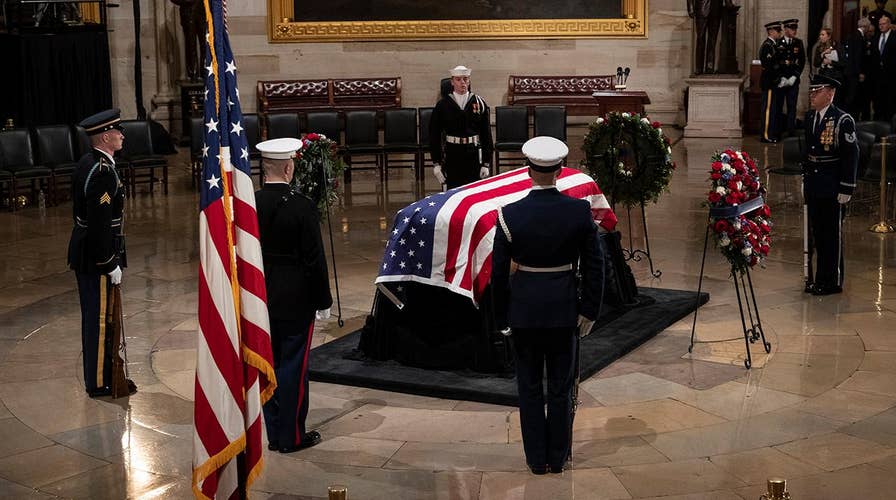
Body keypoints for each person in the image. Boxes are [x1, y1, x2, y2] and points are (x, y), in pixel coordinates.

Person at [491, 136, 605, 475]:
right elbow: (596, 264)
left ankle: (535, 460)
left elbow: (498, 274)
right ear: (560, 170)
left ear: (528, 171)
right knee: (559, 388)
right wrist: (589, 310)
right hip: (563, 310)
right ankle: (557, 458)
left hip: (524, 313)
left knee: (528, 388)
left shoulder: (509, 214)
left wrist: (502, 317)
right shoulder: (578, 211)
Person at [255, 137, 333, 453]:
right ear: (289, 167)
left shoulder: (251, 204)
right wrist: (323, 300)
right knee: (293, 367)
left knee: (268, 363)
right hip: (296, 296)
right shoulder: (302, 206)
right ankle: (292, 437)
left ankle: (274, 433)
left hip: (261, 293)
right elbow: (314, 258)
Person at [68, 108, 136, 398]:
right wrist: (109, 262)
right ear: (105, 136)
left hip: (88, 249)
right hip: (96, 255)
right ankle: (98, 382)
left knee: (100, 316)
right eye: (117, 132)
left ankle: (105, 374)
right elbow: (99, 223)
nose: (122, 135)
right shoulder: (102, 173)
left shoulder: (90, 162)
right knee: (98, 319)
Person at [802, 75, 858, 296]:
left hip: (832, 185)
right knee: (816, 233)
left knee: (831, 235)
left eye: (817, 91)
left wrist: (847, 187)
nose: (812, 95)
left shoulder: (842, 120)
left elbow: (851, 155)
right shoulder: (810, 118)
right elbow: (809, 152)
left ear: (830, 93)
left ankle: (831, 281)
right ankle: (817, 278)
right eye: (812, 91)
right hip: (814, 183)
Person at [429, 65, 494, 189]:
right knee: (453, 192)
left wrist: (486, 163)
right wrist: (436, 163)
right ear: (452, 82)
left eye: (465, 79)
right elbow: (434, 135)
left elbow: (486, 134)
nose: (462, 82)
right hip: (452, 154)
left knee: (473, 193)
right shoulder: (442, 105)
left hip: (473, 154)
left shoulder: (479, 103)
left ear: (469, 81)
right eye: (458, 79)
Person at [759, 21, 785, 143]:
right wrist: (777, 79)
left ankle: (771, 133)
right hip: (769, 82)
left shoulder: (774, 45)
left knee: (773, 109)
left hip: (773, 82)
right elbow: (769, 66)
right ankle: (766, 135)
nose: (779, 33)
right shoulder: (767, 46)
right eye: (777, 30)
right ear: (770, 31)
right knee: (768, 109)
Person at [842, 18, 874, 118]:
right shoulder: (859, 37)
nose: (869, 29)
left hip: (849, 71)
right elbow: (858, 56)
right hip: (854, 73)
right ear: (865, 27)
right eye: (868, 27)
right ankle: (849, 119)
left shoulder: (852, 35)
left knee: (851, 96)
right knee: (852, 97)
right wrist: (860, 72)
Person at [780, 19, 807, 135]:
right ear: (785, 29)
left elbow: (801, 61)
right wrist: (781, 77)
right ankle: (779, 129)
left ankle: (791, 130)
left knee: (792, 106)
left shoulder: (798, 43)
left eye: (795, 29)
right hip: (781, 80)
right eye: (792, 29)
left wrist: (794, 77)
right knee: (779, 105)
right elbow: (777, 61)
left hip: (793, 80)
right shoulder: (778, 42)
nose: (794, 31)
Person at [687, 0, 723, 75]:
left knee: (712, 41)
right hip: (701, 8)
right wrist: (690, 8)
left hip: (716, 9)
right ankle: (699, 68)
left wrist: (728, 2)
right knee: (700, 39)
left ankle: (709, 67)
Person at [871, 14, 896, 122]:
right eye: (879, 24)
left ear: (889, 24)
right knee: (878, 102)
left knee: (890, 102)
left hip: (891, 75)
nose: (881, 26)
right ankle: (877, 126)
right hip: (877, 76)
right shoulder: (875, 37)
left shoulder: (895, 37)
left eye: (883, 24)